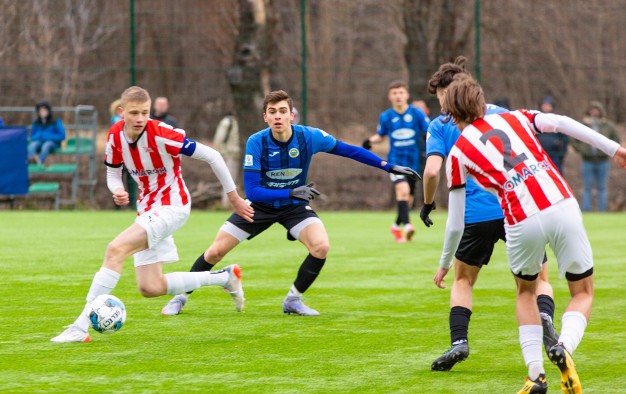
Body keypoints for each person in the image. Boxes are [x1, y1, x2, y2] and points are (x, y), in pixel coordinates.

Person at [435, 74, 626, 394]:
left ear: (450, 114)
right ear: (482, 102)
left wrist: (445, 263)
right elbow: (562, 122)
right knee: (582, 291)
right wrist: (614, 149)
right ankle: (563, 346)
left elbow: (456, 223)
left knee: (525, 292)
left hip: (520, 219)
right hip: (560, 204)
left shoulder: (458, 153)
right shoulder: (516, 117)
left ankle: (536, 376)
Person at [161, 90, 420, 317]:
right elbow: (253, 191)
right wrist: (291, 193)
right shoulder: (256, 141)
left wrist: (387, 166)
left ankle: (293, 300)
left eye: (282, 111)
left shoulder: (310, 137)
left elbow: (349, 150)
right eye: (272, 112)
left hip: (294, 206)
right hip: (259, 207)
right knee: (215, 253)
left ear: (291, 116)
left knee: (321, 246)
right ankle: (180, 297)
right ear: (265, 117)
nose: (277, 116)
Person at [51, 86, 254, 343]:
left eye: (145, 113)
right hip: (147, 210)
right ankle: (224, 278)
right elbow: (113, 173)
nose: (139, 118)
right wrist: (118, 189)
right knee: (150, 287)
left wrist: (234, 197)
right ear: (121, 112)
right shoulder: (115, 136)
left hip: (173, 206)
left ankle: (80, 327)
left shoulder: (161, 134)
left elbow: (213, 155)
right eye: (134, 113)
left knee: (115, 250)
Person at [420, 56, 559, 372]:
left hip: (476, 215)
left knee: (463, 279)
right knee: (537, 280)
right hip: (517, 208)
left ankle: (459, 342)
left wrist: (428, 203)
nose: (441, 105)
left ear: (447, 92)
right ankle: (546, 316)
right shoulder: (501, 113)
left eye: (440, 97)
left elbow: (431, 171)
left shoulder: (441, 124)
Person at [362, 81, 430, 243]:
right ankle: (407, 226)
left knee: (409, 199)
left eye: (400, 92)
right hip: (395, 162)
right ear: (390, 96)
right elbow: (381, 135)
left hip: (414, 162)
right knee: (403, 190)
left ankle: (395, 225)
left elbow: (429, 131)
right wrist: (369, 141)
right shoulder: (386, 116)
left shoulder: (417, 114)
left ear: (406, 95)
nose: (398, 96)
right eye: (394, 93)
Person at [570, 101, 619, 212]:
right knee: (587, 187)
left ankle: (602, 210)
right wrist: (581, 149)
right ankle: (586, 210)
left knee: (602, 187)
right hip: (587, 160)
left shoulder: (608, 125)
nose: (594, 112)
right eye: (592, 109)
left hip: (603, 161)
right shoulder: (583, 124)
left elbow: (616, 140)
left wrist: (609, 151)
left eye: (596, 109)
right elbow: (573, 139)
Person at [110, 99, 137, 210]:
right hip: (121, 154)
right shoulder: (116, 121)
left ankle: (131, 204)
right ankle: (119, 205)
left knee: (131, 180)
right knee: (118, 180)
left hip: (130, 155)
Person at [213, 112, 241, 208]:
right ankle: (226, 204)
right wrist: (222, 152)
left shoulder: (239, 122)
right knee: (229, 179)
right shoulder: (228, 122)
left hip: (240, 155)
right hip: (230, 154)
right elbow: (218, 139)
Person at [536, 96, 569, 174]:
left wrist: (561, 152)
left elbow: (564, 138)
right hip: (540, 155)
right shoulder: (536, 120)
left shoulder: (557, 120)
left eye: (548, 105)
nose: (546, 107)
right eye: (544, 105)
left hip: (555, 155)